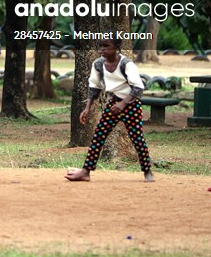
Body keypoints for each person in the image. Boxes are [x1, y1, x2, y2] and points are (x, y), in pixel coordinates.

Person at [65, 39, 154, 183]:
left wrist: (123, 104)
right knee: (98, 136)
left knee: (137, 139)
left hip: (131, 103)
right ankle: (86, 172)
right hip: (114, 103)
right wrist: (87, 108)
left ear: (117, 47)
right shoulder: (98, 65)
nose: (102, 49)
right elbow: (94, 87)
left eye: (106, 46)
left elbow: (138, 88)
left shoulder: (126, 64)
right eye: (100, 46)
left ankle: (147, 171)